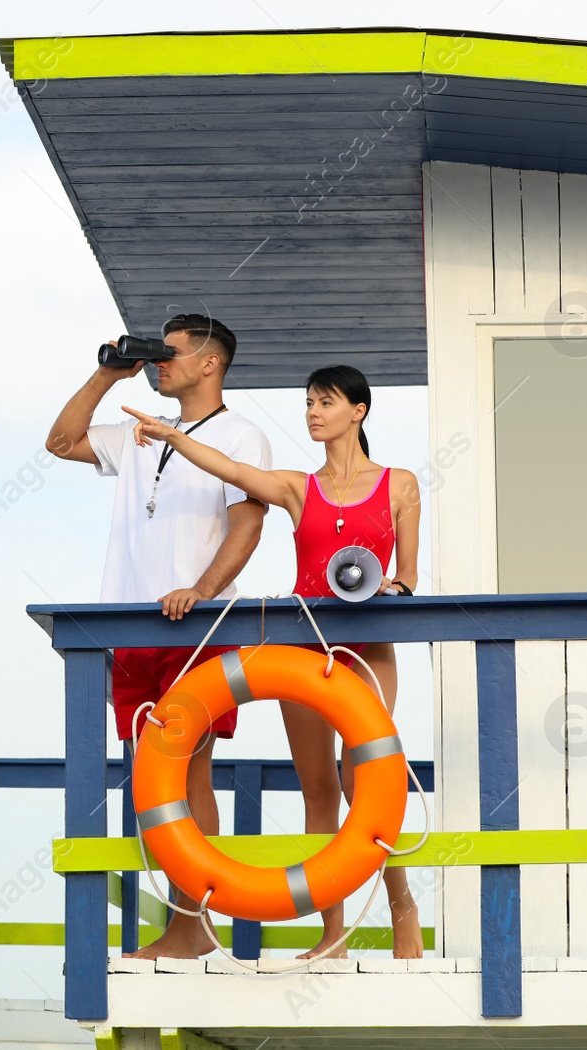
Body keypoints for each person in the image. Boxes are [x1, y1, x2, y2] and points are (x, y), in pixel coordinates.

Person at [122, 364, 424, 959]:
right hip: (302, 645)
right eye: (308, 402)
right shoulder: (295, 487)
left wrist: (395, 587)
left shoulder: (400, 484)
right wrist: (177, 437)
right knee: (318, 790)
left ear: (358, 410)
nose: (312, 412)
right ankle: (333, 935)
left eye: (325, 402)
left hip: (368, 645)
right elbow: (234, 470)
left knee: (363, 778)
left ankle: (402, 907)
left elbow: (409, 575)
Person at [47, 313, 272, 960]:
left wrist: (201, 591)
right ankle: (184, 923)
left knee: (187, 772)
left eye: (169, 353)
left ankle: (191, 927)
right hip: (130, 625)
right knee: (152, 779)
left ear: (210, 363)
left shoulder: (242, 435)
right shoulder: (138, 432)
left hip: (194, 626)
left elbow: (246, 526)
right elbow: (61, 442)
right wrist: (106, 372)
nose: (157, 362)